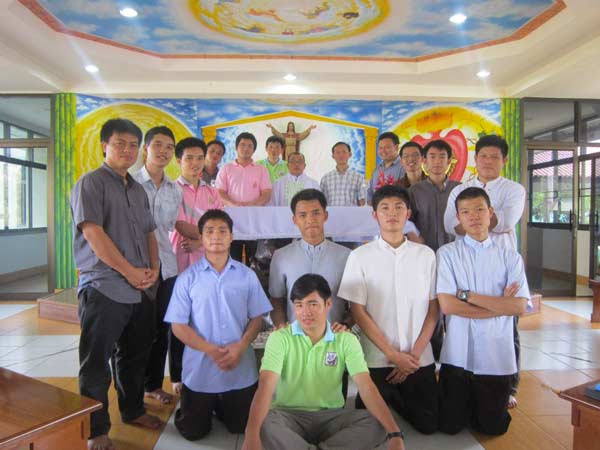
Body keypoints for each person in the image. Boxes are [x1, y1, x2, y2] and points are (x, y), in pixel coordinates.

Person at [70, 118, 162, 450]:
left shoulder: (137, 189)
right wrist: (129, 271)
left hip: (140, 288)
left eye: (133, 145)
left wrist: (154, 268)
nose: (127, 150)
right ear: (104, 146)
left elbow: (149, 232)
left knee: (134, 355)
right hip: (104, 286)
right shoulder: (90, 183)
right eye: (120, 143)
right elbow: (93, 233)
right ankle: (96, 431)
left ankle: (133, 409)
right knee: (96, 363)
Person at [241, 274, 406, 450]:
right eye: (299, 305)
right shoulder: (279, 338)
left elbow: (366, 386)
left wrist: (395, 434)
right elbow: (265, 387)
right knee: (263, 424)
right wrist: (251, 436)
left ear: (328, 304)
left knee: (378, 423)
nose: (305, 312)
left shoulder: (345, 340)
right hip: (288, 415)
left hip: (331, 416)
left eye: (313, 304)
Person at [338, 184, 440, 435]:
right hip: (377, 357)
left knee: (429, 425)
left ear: (408, 214)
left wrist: (413, 356)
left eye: (398, 207)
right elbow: (358, 311)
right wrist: (393, 355)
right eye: (385, 208)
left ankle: (394, 398)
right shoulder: (360, 256)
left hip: (418, 358)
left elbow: (433, 310)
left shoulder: (426, 255)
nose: (392, 213)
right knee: (368, 428)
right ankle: (387, 396)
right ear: (375, 215)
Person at [164, 209, 273, 441]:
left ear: (231, 237)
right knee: (193, 431)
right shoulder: (187, 278)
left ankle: (221, 406)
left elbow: (257, 318)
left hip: (240, 367)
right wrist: (210, 350)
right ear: (201, 238)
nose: (216, 236)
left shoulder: (247, 276)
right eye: (209, 231)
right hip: (200, 369)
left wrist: (241, 346)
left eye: (223, 231)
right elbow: (178, 326)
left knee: (241, 426)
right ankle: (202, 405)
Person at [437, 187, 530, 435]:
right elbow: (447, 305)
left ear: (490, 213)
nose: (474, 217)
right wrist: (500, 305)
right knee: (450, 426)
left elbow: (519, 306)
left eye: (479, 209)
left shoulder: (510, 257)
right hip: (457, 354)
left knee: (492, 427)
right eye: (465, 212)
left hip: (495, 354)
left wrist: (468, 296)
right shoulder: (447, 254)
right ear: (458, 217)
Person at [443, 134, 526, 407]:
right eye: (483, 156)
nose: (488, 161)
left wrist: (471, 219)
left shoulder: (514, 189)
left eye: (494, 156)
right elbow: (449, 226)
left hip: (499, 265)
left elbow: (505, 223)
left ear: (504, 160)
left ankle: (509, 386)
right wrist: (479, 218)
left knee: (507, 329)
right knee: (462, 325)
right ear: (475, 159)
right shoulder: (460, 188)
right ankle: (463, 379)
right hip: (465, 260)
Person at [132, 126, 182, 405]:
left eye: (169, 147)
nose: (164, 151)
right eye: (158, 145)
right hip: (137, 267)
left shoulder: (175, 189)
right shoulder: (130, 184)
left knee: (162, 328)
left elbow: (171, 227)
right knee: (136, 331)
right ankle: (132, 390)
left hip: (168, 265)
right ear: (146, 149)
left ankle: (152, 384)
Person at [269, 189, 351, 328]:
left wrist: (345, 325)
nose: (310, 220)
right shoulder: (281, 256)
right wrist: (282, 327)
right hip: (295, 337)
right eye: (303, 215)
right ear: (295, 220)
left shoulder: (346, 256)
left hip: (335, 336)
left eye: (316, 213)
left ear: (325, 215)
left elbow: (355, 303)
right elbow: (276, 300)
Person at [216, 132, 272, 265]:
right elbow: (219, 192)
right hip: (231, 220)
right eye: (242, 145)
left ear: (254, 149)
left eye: (249, 146)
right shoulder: (226, 169)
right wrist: (234, 205)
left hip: (253, 220)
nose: (246, 148)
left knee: (252, 259)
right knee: (232, 257)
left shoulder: (261, 169)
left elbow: (267, 193)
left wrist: (252, 205)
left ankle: (251, 277)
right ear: (236, 147)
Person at [170, 137, 223, 274]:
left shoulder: (212, 192)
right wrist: (210, 237)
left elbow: (221, 225)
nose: (195, 163)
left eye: (200, 158)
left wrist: (201, 242)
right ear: (179, 161)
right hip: (181, 257)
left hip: (210, 258)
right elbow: (181, 225)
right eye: (189, 158)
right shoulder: (171, 190)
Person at [410, 139, 461, 251]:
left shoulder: (459, 189)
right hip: (423, 250)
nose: (437, 161)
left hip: (455, 250)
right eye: (432, 157)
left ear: (449, 161)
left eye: (442, 157)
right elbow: (408, 222)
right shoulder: (414, 191)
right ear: (424, 161)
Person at [320, 141, 366, 207]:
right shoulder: (326, 178)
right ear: (333, 156)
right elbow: (321, 202)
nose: (341, 155)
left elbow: (362, 201)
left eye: (344, 152)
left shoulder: (358, 177)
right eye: (338, 152)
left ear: (350, 154)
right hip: (331, 213)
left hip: (351, 213)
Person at [367, 132, 405, 204]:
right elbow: (370, 192)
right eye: (380, 148)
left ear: (396, 147)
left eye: (387, 147)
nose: (383, 151)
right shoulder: (377, 170)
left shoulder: (404, 167)